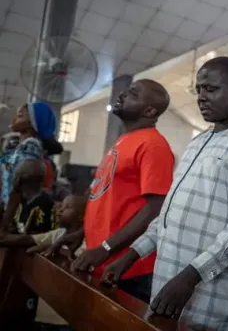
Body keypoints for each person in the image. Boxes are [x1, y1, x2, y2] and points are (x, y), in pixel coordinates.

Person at [102, 57, 228, 329]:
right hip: (167, 293)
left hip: (213, 304)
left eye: (210, 89)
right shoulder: (197, 142)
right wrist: (130, 256)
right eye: (198, 90)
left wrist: (191, 276)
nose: (201, 97)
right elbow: (168, 216)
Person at [46, 79, 175, 304]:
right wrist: (82, 234)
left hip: (128, 268)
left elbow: (155, 209)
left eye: (133, 93)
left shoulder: (154, 145)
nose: (123, 94)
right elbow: (106, 200)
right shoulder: (125, 140)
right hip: (101, 258)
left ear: (149, 110)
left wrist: (106, 248)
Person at [0, 194, 86, 331]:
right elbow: (28, 241)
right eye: (61, 206)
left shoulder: (87, 243)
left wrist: (55, 249)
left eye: (68, 207)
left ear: (81, 217)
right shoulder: (58, 234)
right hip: (48, 312)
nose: (60, 210)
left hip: (72, 316)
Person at [1, 102, 56, 231]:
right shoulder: (17, 146)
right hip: (7, 209)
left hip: (13, 213)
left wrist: (5, 222)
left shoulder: (31, 147)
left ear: (32, 123)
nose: (14, 118)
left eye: (20, 116)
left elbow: (19, 186)